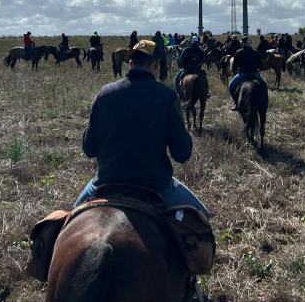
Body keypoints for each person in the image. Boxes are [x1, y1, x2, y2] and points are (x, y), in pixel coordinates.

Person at [75, 39, 209, 217]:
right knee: (203, 218)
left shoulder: (104, 93)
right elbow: (182, 154)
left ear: (130, 64)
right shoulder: (168, 97)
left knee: (67, 220)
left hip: (107, 182)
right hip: (156, 185)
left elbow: (88, 149)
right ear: (156, 65)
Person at [228, 37, 266, 111]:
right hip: (255, 74)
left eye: (241, 42)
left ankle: (236, 104)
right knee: (264, 86)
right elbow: (260, 66)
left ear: (244, 43)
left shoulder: (238, 52)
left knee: (231, 87)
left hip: (243, 74)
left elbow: (235, 66)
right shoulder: (256, 52)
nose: (241, 43)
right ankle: (263, 103)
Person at [174, 36, 208, 100]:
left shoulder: (186, 49)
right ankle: (207, 92)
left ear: (191, 41)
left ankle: (178, 94)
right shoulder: (201, 51)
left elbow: (181, 60)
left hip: (187, 69)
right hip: (197, 70)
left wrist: (183, 65)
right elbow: (203, 60)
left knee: (176, 79)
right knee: (205, 79)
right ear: (198, 42)